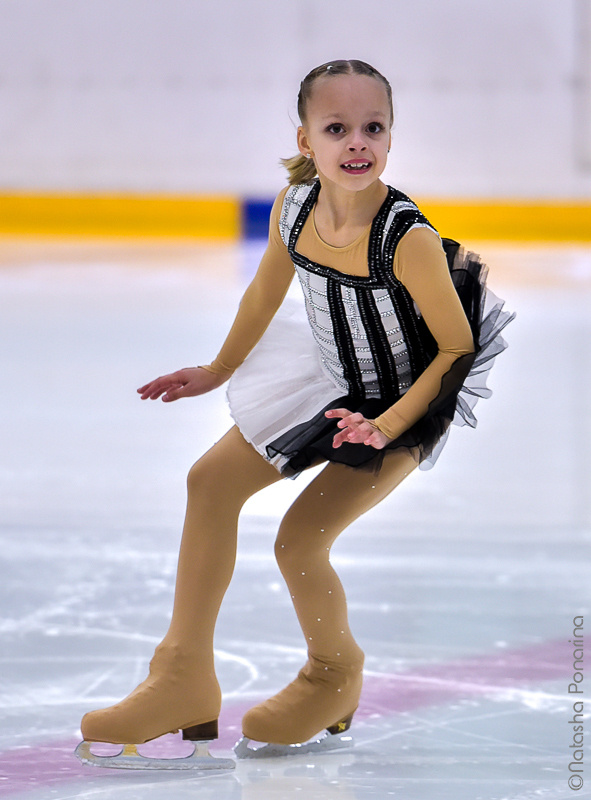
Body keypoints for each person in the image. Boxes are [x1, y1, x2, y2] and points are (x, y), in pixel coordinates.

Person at [78, 59, 513, 765]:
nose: (356, 143)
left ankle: (332, 675)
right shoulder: (296, 205)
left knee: (298, 541)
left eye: (372, 127)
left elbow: (455, 349)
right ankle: (182, 674)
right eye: (336, 127)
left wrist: (387, 426)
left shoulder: (407, 238)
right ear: (306, 139)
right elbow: (261, 296)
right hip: (328, 376)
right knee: (208, 482)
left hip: (408, 396)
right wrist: (215, 370)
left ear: (391, 136)